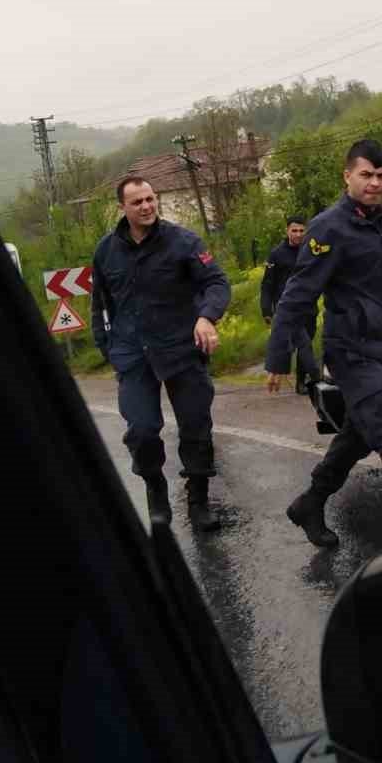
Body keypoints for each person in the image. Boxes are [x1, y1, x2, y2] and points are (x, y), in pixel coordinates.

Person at [266, 139, 382, 549]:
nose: (375, 183)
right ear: (347, 176)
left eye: (381, 176)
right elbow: (298, 293)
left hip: (381, 351)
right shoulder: (329, 228)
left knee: (359, 434)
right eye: (366, 175)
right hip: (349, 351)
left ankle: (310, 503)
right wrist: (278, 355)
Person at [91, 176, 231, 531]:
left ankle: (198, 501)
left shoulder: (183, 242)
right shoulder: (106, 251)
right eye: (137, 202)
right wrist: (107, 347)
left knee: (196, 427)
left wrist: (206, 317)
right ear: (122, 207)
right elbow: (100, 305)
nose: (147, 206)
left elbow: (216, 282)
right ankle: (156, 491)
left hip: (182, 349)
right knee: (141, 430)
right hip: (133, 355)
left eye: (151, 199)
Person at [260, 215, 320, 394]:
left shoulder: (311, 250)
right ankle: (315, 378)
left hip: (309, 307)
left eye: (302, 230)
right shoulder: (277, 254)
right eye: (294, 230)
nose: (298, 234)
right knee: (304, 344)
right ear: (287, 231)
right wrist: (266, 309)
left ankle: (302, 381)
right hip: (286, 307)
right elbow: (267, 284)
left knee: (305, 342)